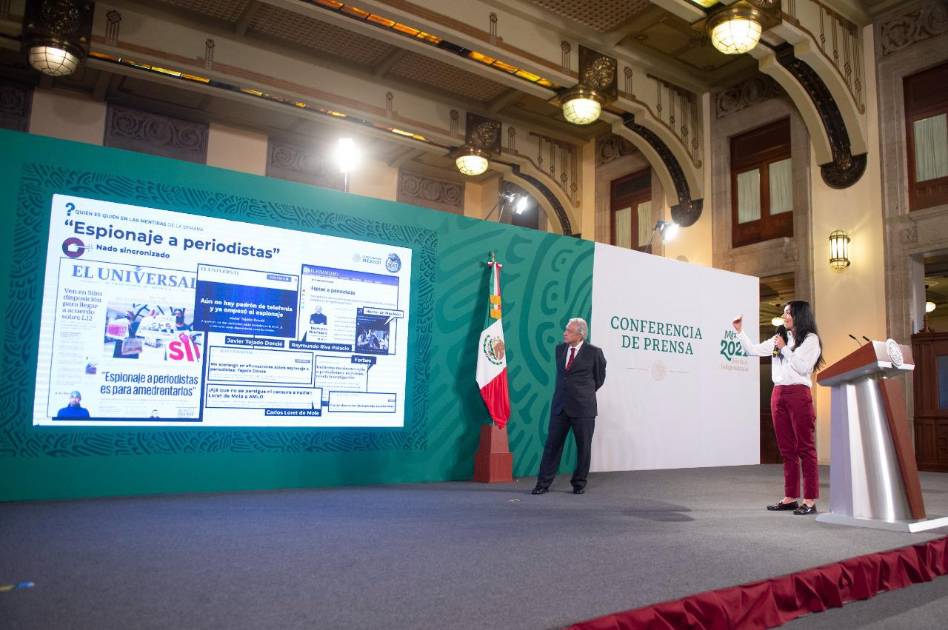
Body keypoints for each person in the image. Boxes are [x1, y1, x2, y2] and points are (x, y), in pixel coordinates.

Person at [734, 300, 824, 516]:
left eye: (788, 313)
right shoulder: (780, 337)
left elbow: (803, 367)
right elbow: (752, 350)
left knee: (805, 448)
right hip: (778, 394)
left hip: (798, 393)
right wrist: (739, 332)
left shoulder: (811, 340)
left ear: (800, 315)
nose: (784, 316)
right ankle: (790, 497)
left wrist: (785, 349)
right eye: (784, 312)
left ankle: (809, 500)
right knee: (786, 449)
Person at [532, 317, 607, 495]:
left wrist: (583, 394)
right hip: (560, 407)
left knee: (583, 447)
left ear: (580, 334)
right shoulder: (559, 349)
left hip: (583, 408)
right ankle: (543, 484)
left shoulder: (594, 353)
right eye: (565, 329)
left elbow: (599, 379)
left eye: (569, 331)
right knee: (552, 447)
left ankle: (579, 483)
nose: (564, 333)